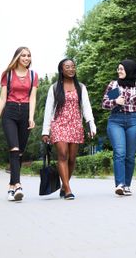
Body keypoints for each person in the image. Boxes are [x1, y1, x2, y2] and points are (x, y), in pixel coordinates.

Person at [42, 58, 96, 200]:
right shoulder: (54, 88)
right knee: (63, 154)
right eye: (67, 67)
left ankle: (64, 185)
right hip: (59, 124)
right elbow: (48, 110)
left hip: (75, 124)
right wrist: (45, 131)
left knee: (72, 159)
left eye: (73, 66)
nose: (71, 69)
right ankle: (68, 190)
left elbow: (86, 107)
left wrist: (91, 124)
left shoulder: (81, 87)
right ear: (61, 70)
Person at [0, 46, 38, 202]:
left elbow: (33, 98)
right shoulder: (8, 75)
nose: (26, 58)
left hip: (25, 113)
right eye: (23, 55)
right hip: (10, 112)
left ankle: (11, 188)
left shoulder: (33, 75)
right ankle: (18, 185)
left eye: (29, 55)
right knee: (14, 148)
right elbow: (2, 98)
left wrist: (31, 117)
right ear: (17, 57)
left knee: (19, 153)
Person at [102, 59, 136, 196]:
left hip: (133, 121)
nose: (119, 71)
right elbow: (104, 103)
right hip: (116, 120)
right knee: (120, 152)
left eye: (121, 69)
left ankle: (127, 185)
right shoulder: (115, 85)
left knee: (130, 156)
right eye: (118, 68)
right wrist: (115, 101)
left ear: (129, 70)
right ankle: (120, 184)